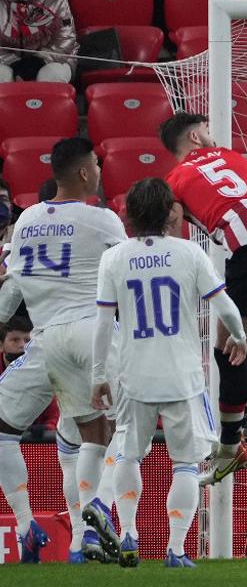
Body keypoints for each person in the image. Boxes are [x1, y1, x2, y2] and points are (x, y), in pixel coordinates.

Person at [91, 177, 246, 569]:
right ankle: (176, 550)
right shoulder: (189, 253)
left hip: (133, 374)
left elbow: (102, 322)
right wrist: (241, 336)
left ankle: (128, 534)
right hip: (181, 375)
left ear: (129, 214)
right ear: (168, 212)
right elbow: (224, 305)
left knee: (129, 455)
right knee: (185, 465)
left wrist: (97, 375)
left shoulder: (114, 257)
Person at [0, 138, 127, 563]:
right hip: (92, 334)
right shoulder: (103, 220)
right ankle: (94, 529)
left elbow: (10, 289)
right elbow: (127, 277)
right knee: (104, 435)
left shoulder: (27, 220)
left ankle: (29, 527)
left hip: (45, 340)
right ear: (84, 172)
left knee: (4, 430)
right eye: (95, 163)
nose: (99, 169)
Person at [159, 112, 247, 485]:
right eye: (206, 129)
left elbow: (175, 234)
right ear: (194, 135)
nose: (211, 134)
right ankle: (242, 425)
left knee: (228, 349)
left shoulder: (174, 180)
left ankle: (227, 450)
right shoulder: (236, 158)